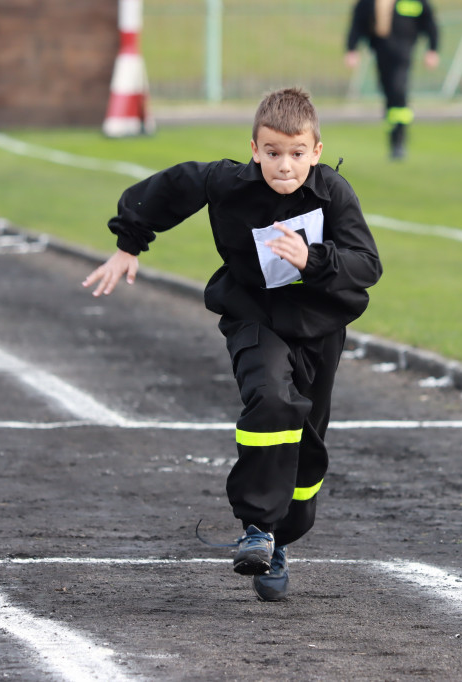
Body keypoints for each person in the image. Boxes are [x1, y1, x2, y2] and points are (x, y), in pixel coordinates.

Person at [82, 87, 382, 601]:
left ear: (315, 151)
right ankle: (257, 529)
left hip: (318, 330)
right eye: (271, 153)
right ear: (253, 149)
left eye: (296, 154)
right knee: (270, 398)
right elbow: (170, 187)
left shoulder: (333, 192)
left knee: (306, 449)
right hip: (253, 317)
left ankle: (281, 537)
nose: (283, 166)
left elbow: (366, 265)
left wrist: (313, 260)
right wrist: (128, 244)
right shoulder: (228, 183)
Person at [345, 0, 441, 160]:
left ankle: (399, 139)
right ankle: (393, 133)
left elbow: (429, 23)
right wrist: (351, 49)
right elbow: (358, 23)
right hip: (381, 53)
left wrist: (432, 49)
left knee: (399, 91)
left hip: (404, 54)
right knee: (390, 95)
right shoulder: (369, 3)